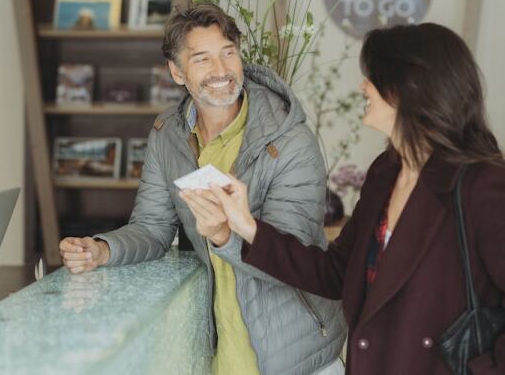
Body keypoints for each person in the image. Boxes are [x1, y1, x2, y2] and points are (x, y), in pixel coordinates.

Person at [201, 23, 505, 374]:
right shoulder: (385, 173)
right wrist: (246, 226)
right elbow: (336, 273)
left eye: (373, 77)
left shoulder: (483, 187)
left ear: (409, 88)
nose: (363, 86)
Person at [60, 3, 346, 375]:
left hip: (296, 356)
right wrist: (103, 249)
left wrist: (224, 236)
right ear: (177, 72)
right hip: (220, 353)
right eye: (202, 59)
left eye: (228, 53)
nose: (221, 70)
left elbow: (293, 260)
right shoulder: (168, 134)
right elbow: (152, 227)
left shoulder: (290, 140)